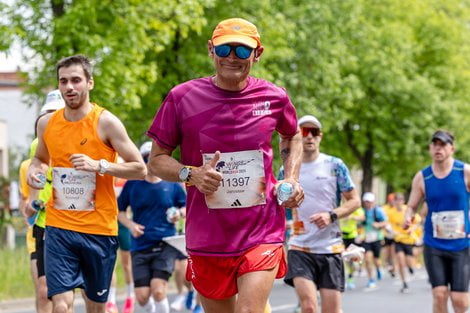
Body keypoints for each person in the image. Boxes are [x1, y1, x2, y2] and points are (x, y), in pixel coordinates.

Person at [146, 17, 303, 313]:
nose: (233, 57)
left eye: (243, 51)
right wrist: (190, 174)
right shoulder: (182, 98)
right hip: (207, 237)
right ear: (211, 49)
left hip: (261, 229)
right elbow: (156, 161)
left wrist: (291, 178)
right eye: (225, 48)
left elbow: (292, 135)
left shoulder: (274, 97)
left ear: (257, 54)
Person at [27, 54, 146, 313]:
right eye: (63, 81)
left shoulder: (106, 122)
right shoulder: (47, 124)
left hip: (98, 229)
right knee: (59, 303)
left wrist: (99, 165)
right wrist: (34, 171)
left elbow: (139, 168)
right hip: (59, 226)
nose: (69, 87)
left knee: (95, 307)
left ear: (89, 83)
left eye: (76, 80)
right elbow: (39, 158)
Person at [283, 115, 360, 313]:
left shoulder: (335, 165)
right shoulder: (287, 170)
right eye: (303, 132)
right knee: (308, 306)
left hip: (330, 248)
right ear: (296, 137)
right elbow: (278, 203)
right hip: (299, 247)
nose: (309, 137)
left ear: (320, 137)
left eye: (314, 132)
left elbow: (354, 201)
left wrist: (331, 215)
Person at [405, 130, 470, 313]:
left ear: (452, 148)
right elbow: (412, 206)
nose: (438, 148)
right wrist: (408, 216)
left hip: (461, 244)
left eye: (442, 145)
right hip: (434, 244)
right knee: (439, 294)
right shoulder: (423, 177)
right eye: (435, 144)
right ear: (430, 148)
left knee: (460, 301)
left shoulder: (464, 171)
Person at [118, 141, 187, 313]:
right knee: (142, 297)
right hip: (140, 244)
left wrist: (179, 214)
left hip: (165, 243)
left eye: (153, 158)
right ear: (142, 160)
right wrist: (131, 225)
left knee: (158, 290)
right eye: (146, 158)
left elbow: (187, 206)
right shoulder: (133, 184)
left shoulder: (171, 184)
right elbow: (119, 212)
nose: (150, 161)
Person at [388, 192, 420, 293]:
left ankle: (410, 267)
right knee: (400, 260)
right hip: (398, 240)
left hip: (408, 239)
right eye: (396, 200)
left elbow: (417, 221)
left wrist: (412, 229)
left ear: (403, 201)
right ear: (394, 201)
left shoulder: (407, 210)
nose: (398, 203)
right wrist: (391, 231)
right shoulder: (391, 212)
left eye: (400, 200)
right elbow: (388, 224)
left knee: (409, 260)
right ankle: (404, 282)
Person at [361, 192, 387, 289]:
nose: (368, 203)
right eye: (366, 202)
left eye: (370, 201)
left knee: (376, 259)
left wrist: (378, 225)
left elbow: (385, 222)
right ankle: (371, 279)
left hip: (377, 237)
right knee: (367, 259)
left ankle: (378, 268)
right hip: (366, 238)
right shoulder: (362, 211)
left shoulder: (378, 211)